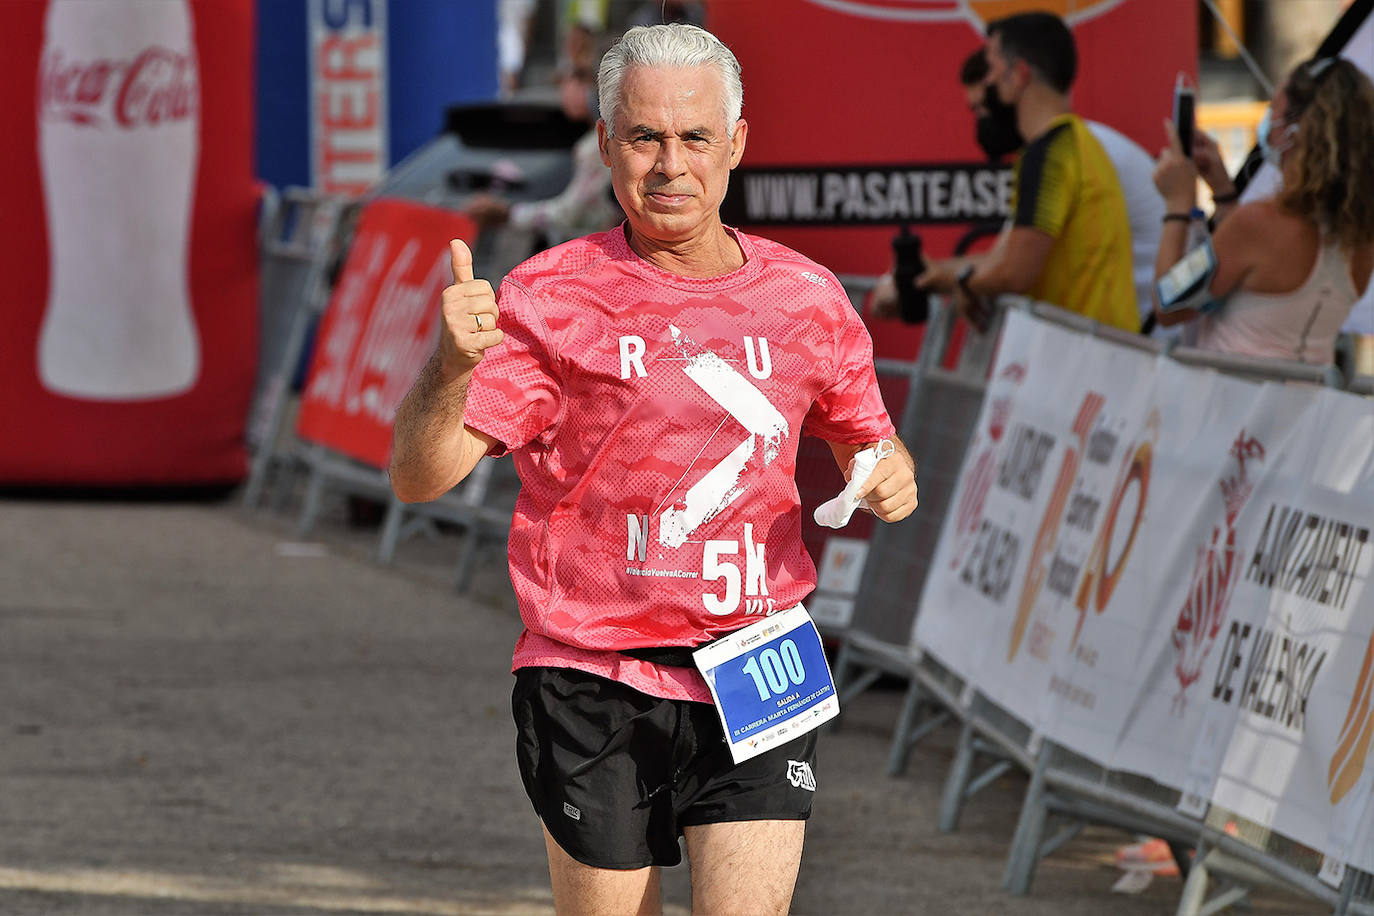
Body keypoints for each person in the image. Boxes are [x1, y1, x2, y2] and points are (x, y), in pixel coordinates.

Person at [390, 22, 918, 915]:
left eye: (695, 137)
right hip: (594, 673)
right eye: (644, 138)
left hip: (759, 659)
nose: (670, 165)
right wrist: (449, 369)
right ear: (605, 145)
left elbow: (870, 442)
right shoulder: (550, 298)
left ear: (737, 143)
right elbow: (418, 476)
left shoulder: (807, 298)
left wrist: (889, 474)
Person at [885, 13, 1138, 334]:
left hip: (1081, 361)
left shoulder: (1050, 153)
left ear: (1019, 74)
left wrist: (954, 281)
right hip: (1095, 352)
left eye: (991, 68)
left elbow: (1015, 272)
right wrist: (951, 277)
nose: (987, 82)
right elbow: (1007, 258)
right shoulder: (1076, 141)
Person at [1151, 56, 1374, 362]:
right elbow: (1254, 265)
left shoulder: (1260, 222)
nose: (1267, 123)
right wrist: (1224, 190)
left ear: (1295, 132)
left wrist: (1177, 204)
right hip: (1307, 404)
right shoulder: (1361, 237)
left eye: (1273, 111)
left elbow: (1169, 306)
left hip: (1237, 402)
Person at [954, 47, 1167, 336]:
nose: (982, 119)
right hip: (1123, 335)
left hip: (1134, 339)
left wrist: (945, 279)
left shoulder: (1061, 153)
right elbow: (1005, 256)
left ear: (1016, 82)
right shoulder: (1066, 146)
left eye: (984, 105)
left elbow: (1013, 269)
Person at [463, 68, 622, 246]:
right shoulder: (593, 140)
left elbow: (570, 213)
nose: (562, 95)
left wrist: (509, 214)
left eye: (566, 85)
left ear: (583, 84)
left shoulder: (595, 146)